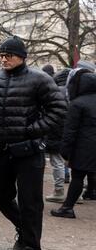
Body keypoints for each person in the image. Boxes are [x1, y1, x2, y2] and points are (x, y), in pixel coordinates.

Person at [0, 36, 66, 250]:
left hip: (28, 151)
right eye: (1, 55)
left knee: (31, 202)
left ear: (22, 56)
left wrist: (32, 130)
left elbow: (58, 109)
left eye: (9, 55)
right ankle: (22, 228)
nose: (4, 59)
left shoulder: (40, 79)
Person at [51, 69, 96, 219]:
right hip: (88, 145)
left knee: (77, 177)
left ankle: (67, 207)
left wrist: (65, 152)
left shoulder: (77, 104)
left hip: (84, 147)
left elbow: (70, 131)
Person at [44, 68, 71, 203]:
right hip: (69, 132)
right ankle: (75, 193)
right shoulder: (73, 92)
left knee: (58, 163)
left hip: (56, 133)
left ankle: (59, 191)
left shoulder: (55, 92)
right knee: (69, 163)